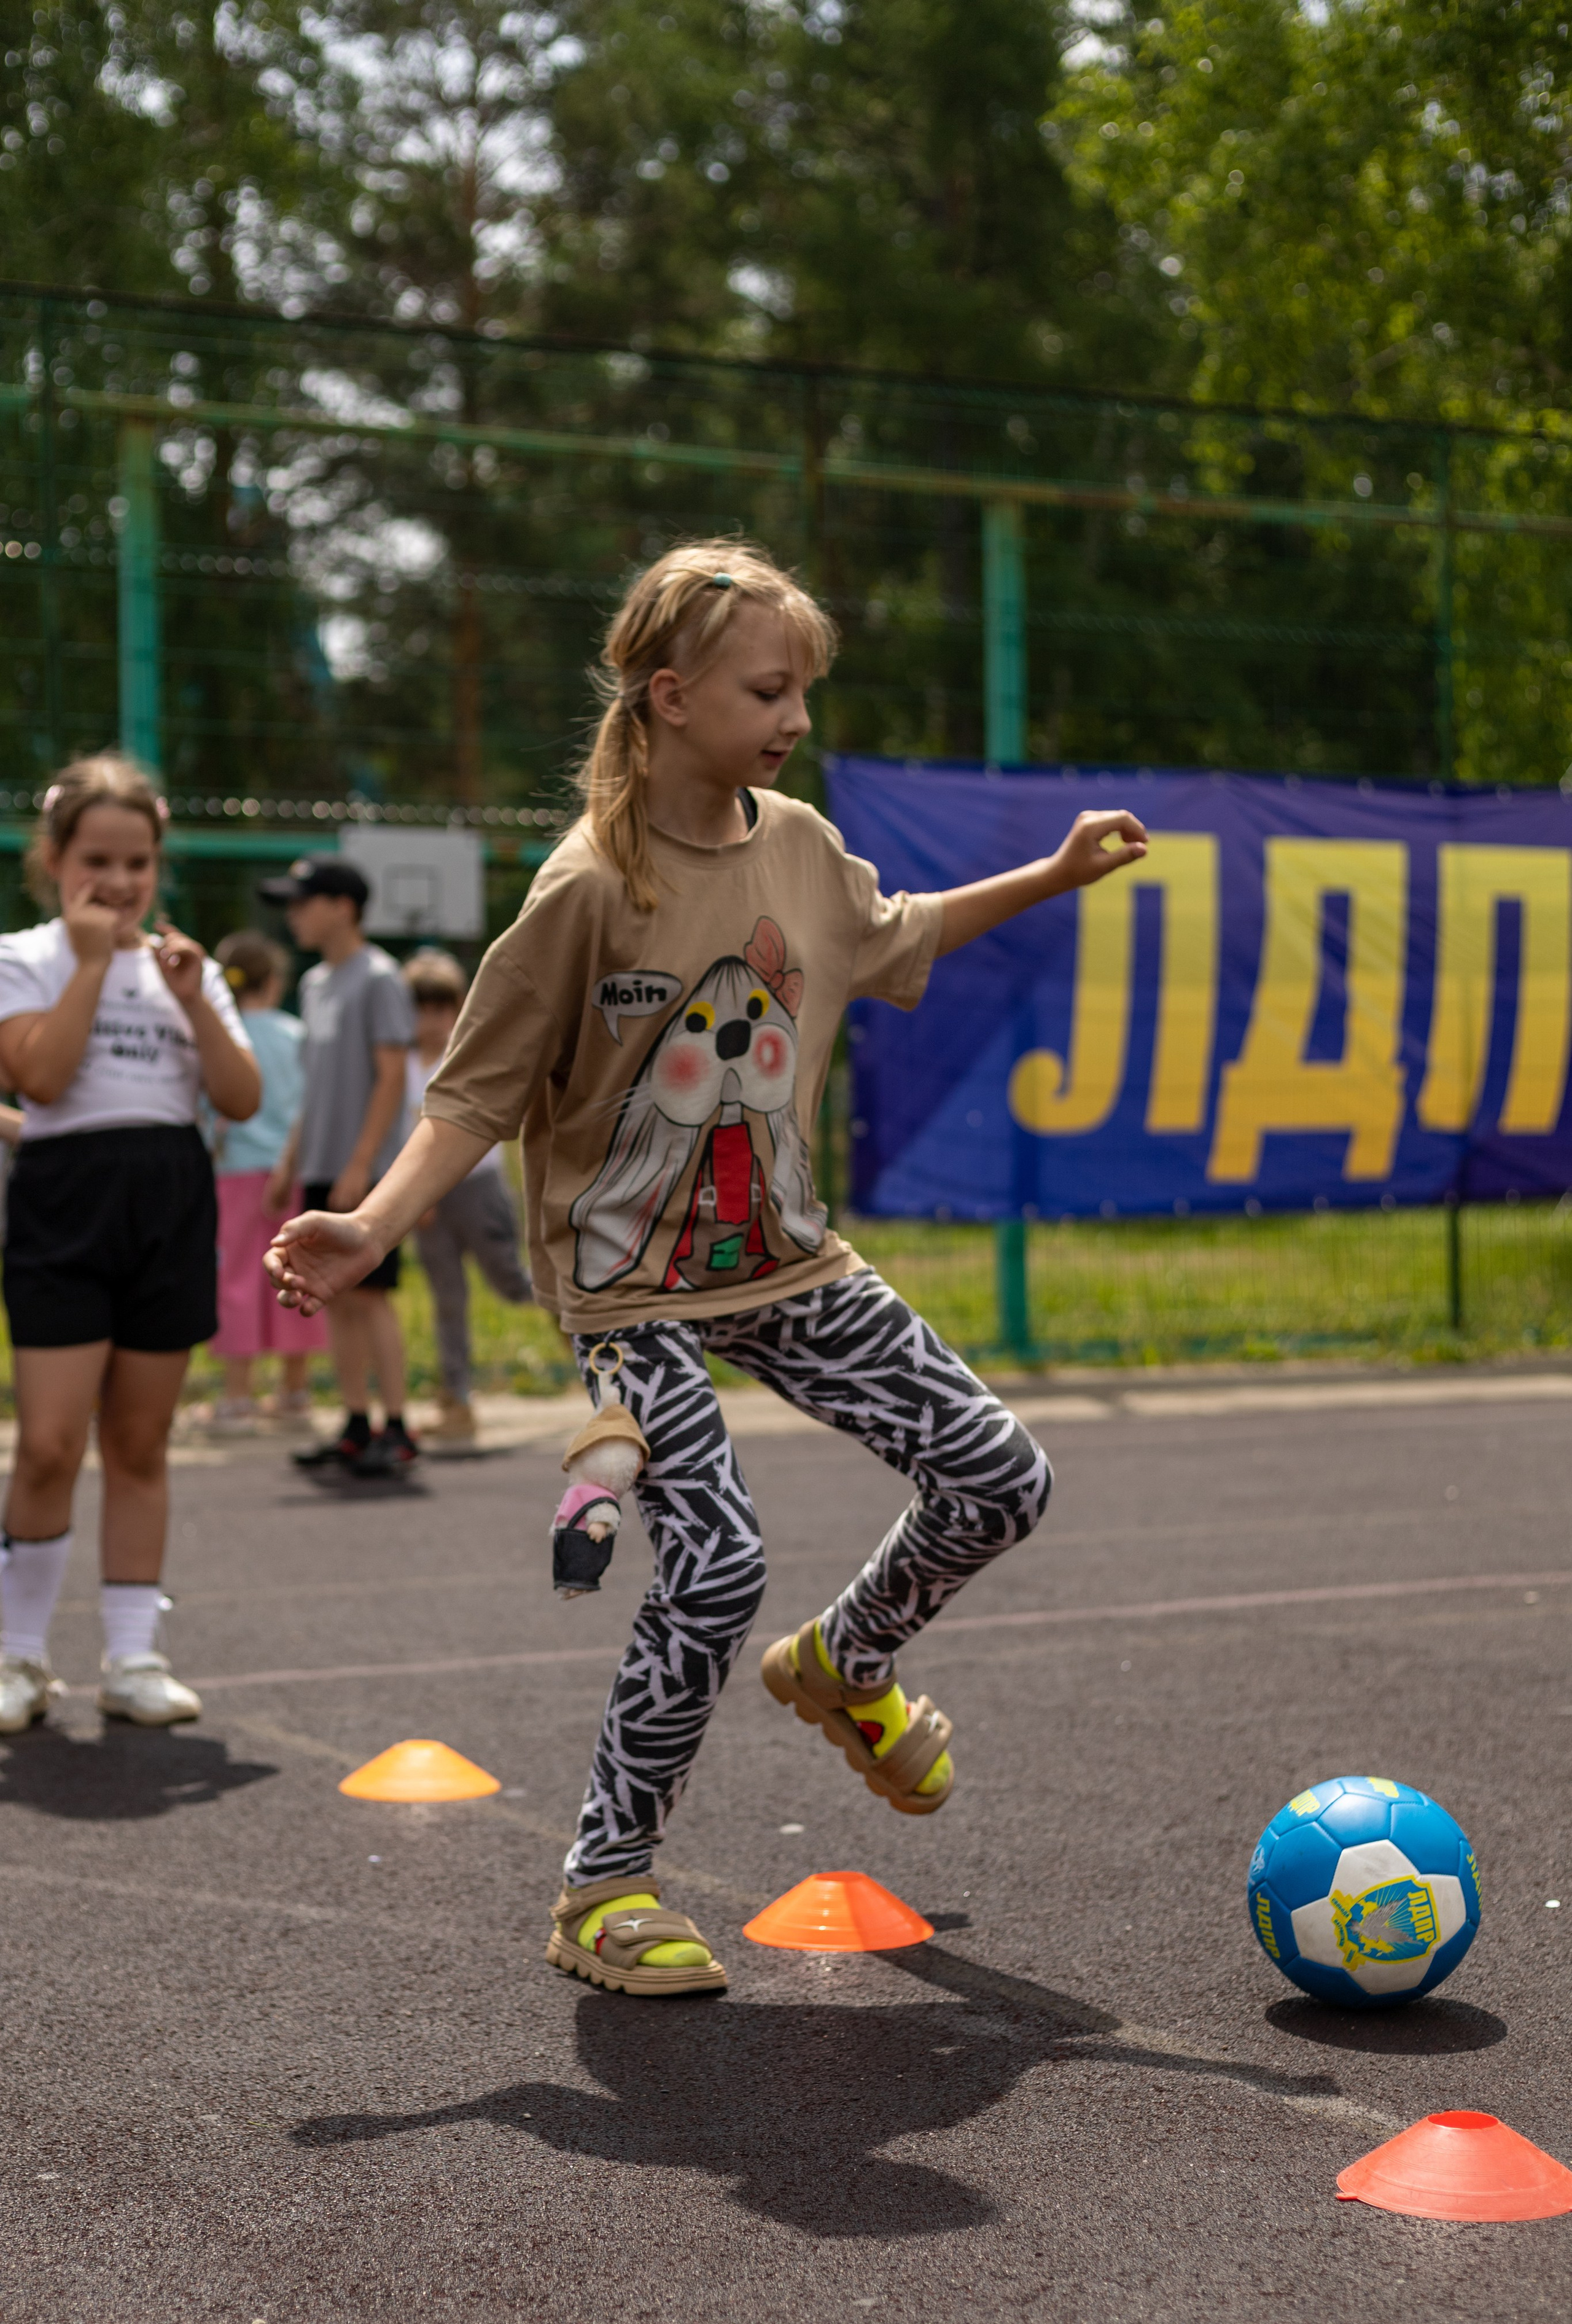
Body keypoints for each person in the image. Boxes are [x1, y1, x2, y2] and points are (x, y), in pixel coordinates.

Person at [267, 539, 1146, 1995]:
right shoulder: (584, 889)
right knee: (718, 1559)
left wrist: (1051, 875)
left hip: (784, 1263)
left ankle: (844, 1662)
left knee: (999, 1476)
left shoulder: (796, 844)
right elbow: (472, 1096)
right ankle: (601, 1884)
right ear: (670, 697)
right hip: (629, 1293)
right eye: (766, 690)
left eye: (801, 689)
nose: (794, 715)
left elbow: (897, 933)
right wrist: (369, 1223)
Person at [0, 752, 260, 1736]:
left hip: (169, 1202)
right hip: (65, 1204)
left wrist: (192, 997)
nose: (117, 882)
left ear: (157, 866)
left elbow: (241, 1098)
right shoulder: (24, 957)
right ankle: (18, 1657)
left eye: (137, 863)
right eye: (96, 862)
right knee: (49, 1445)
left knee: (141, 1442)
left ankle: (134, 1657)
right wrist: (91, 962)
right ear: (55, 861)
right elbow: (43, 1078)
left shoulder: (189, 971)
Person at [259, 857, 418, 1476]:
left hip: (365, 1169)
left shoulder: (378, 977)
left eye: (305, 902)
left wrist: (362, 1163)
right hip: (322, 1162)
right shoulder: (315, 983)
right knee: (334, 1297)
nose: (294, 914)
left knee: (372, 1297)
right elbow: (316, 1088)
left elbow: (391, 1077)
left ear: (344, 907)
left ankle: (397, 1427)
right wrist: (290, 1160)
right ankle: (356, 1423)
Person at [402, 948, 532, 1445]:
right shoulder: (400, 1063)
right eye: (421, 1010)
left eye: (441, 1009)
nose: (431, 1022)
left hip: (478, 1187)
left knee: (509, 1281)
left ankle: (571, 1312)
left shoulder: (467, 1054)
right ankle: (456, 1398)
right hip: (429, 1197)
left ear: (458, 1009)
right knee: (448, 1299)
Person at [206, 930, 317, 1433]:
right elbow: (310, 1107)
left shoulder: (221, 1038)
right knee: (297, 1275)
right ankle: (294, 1390)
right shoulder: (296, 1035)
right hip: (291, 1173)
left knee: (235, 1280)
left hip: (234, 1173)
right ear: (273, 982)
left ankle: (237, 1397)